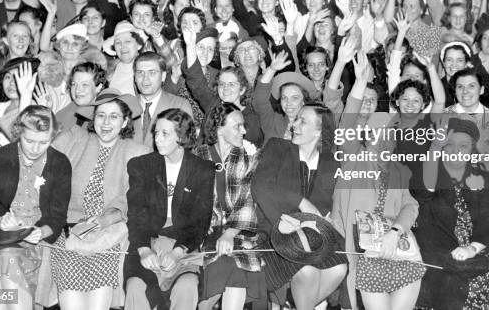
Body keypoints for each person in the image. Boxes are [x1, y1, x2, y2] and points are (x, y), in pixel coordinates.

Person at [331, 52, 424, 310]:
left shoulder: (398, 171)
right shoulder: (353, 159)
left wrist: (396, 231)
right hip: (366, 256)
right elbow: (348, 121)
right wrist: (360, 81)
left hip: (398, 250)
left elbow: (411, 205)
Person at [50, 89, 150, 310]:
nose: (106, 122)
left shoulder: (138, 153)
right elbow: (37, 152)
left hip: (109, 236)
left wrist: (108, 218)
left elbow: (134, 198)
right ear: (93, 119)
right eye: (101, 115)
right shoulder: (75, 139)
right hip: (70, 232)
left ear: (125, 122)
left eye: (114, 116)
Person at [0, 105, 71, 310]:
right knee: (7, 257)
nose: (35, 148)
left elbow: (57, 217)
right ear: (18, 132)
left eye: (44, 142)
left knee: (7, 269)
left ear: (53, 137)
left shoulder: (60, 163)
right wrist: (1, 222)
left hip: (40, 244)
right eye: (29, 141)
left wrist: (39, 231)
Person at [252, 104, 348, 309]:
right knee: (307, 270)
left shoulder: (332, 163)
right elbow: (260, 187)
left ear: (319, 130)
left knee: (339, 269)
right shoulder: (277, 147)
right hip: (275, 234)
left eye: (302, 121)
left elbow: (327, 207)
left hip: (312, 237)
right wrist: (301, 201)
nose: (294, 124)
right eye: (296, 119)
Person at [124, 108, 215, 310]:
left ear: (182, 136)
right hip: (147, 242)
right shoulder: (141, 165)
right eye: (156, 132)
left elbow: (201, 221)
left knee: (187, 286)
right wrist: (144, 249)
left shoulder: (202, 170)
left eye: (165, 133)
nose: (158, 139)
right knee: (135, 288)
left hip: (183, 245)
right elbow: (136, 213)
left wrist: (177, 252)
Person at [416, 117, 489, 310]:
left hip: (478, 252)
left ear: (472, 149)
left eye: (463, 145)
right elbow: (423, 192)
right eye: (449, 144)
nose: (456, 151)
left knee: (486, 280)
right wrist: (434, 148)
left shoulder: (484, 179)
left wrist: (472, 248)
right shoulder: (429, 174)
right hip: (438, 257)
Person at [193, 103, 265, 310]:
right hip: (205, 232)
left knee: (236, 266)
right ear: (218, 128)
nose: (244, 131)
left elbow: (249, 198)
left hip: (240, 232)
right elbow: (192, 200)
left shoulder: (250, 156)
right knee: (229, 267)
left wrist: (230, 233)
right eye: (238, 126)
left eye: (244, 126)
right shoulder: (197, 156)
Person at [132, 51, 193, 146]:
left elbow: (186, 147)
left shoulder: (180, 106)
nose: (145, 79)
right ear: (134, 77)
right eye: (140, 73)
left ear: (163, 76)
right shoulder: (126, 106)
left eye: (152, 72)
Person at [56, 61, 109, 130]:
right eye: (74, 84)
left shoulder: (104, 117)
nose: (77, 90)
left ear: (98, 87)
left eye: (84, 84)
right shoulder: (71, 107)